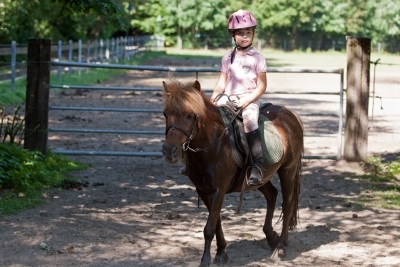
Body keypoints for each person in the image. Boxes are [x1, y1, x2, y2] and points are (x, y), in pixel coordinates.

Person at [210, 10, 267, 186]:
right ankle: (197, 159)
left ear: (253, 34)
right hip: (228, 97)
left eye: (248, 33)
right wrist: (212, 98)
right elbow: (221, 83)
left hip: (249, 99)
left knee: (250, 121)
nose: (245, 36)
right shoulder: (227, 58)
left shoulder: (258, 58)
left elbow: (262, 86)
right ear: (233, 35)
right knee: (207, 117)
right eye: (240, 33)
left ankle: (257, 165)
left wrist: (247, 101)